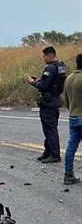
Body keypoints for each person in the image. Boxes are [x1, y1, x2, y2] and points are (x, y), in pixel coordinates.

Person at [27, 46, 66, 163]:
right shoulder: (60, 67)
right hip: (54, 100)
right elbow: (51, 83)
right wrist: (40, 80)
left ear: (50, 56)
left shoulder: (50, 68)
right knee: (48, 129)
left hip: (48, 102)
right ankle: (48, 152)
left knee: (50, 129)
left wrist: (33, 82)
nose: (43, 58)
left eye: (44, 56)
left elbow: (43, 86)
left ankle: (54, 155)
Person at [62, 53, 82, 184]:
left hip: (73, 116)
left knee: (71, 147)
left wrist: (73, 110)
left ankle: (68, 175)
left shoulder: (69, 78)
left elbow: (66, 100)